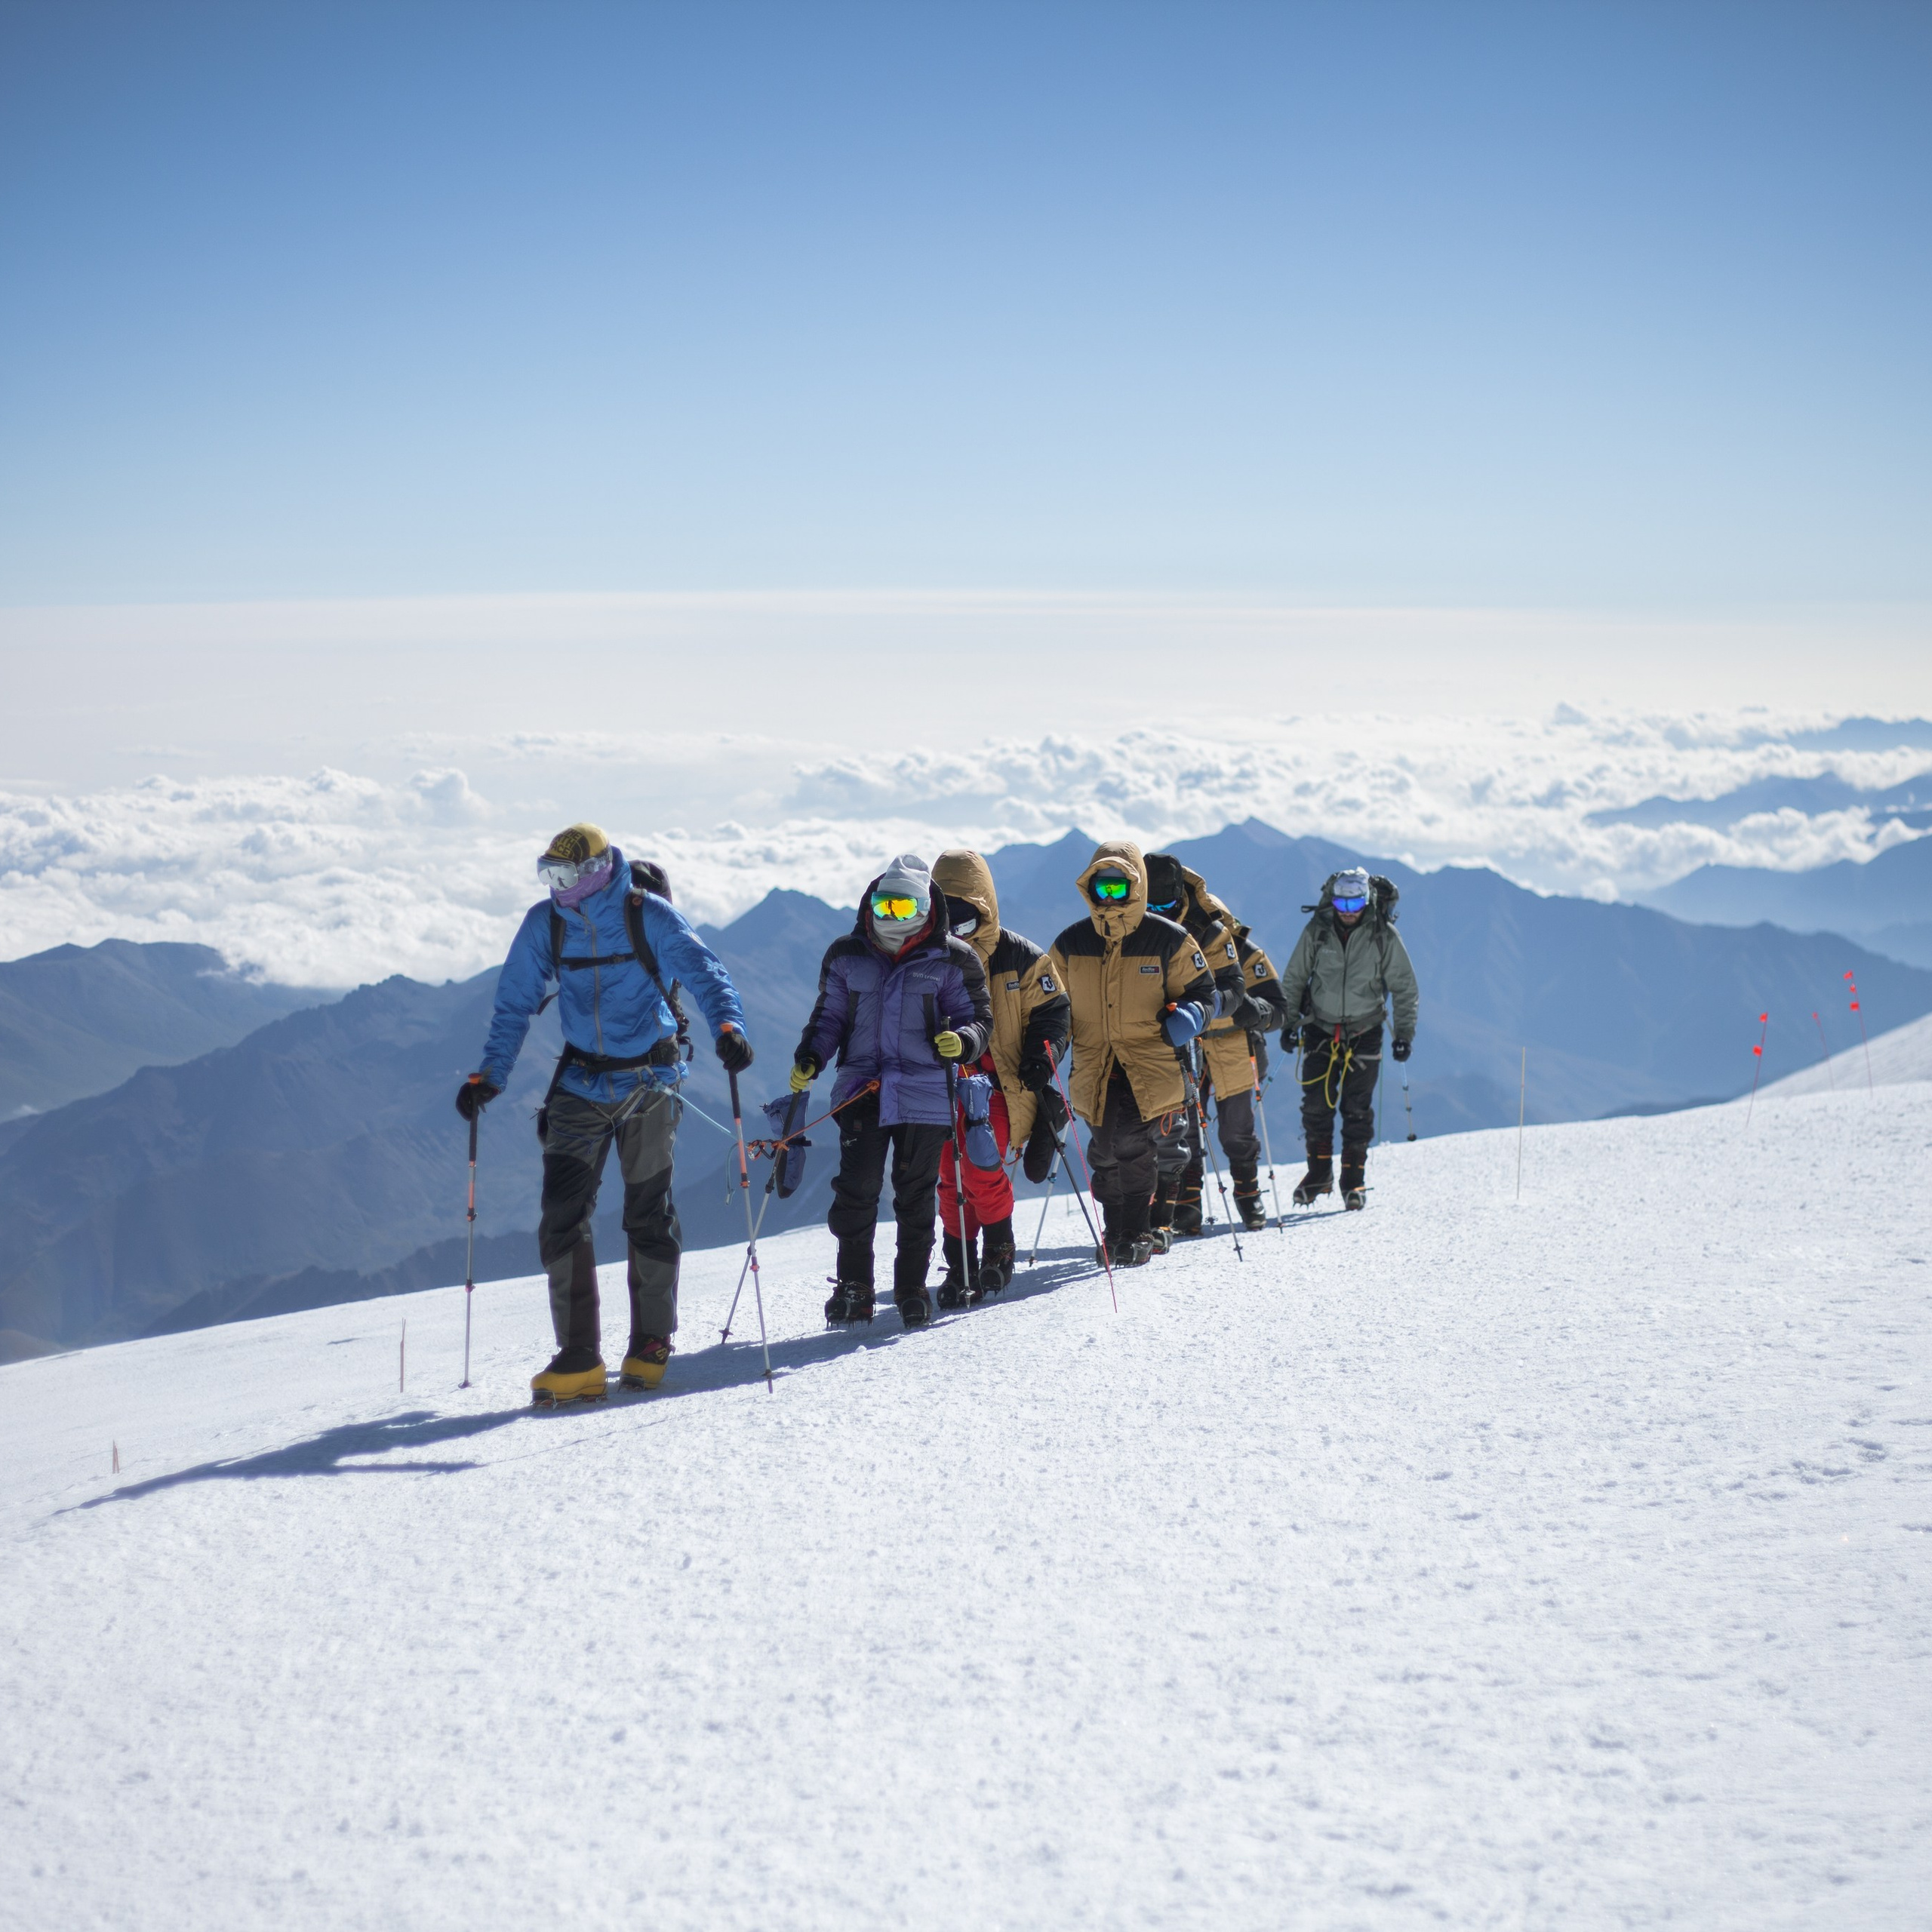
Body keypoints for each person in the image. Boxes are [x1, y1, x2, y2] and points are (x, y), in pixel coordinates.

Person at [457, 824, 752, 1406]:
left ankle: (651, 1342)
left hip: (650, 1079)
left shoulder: (648, 915)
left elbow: (705, 972)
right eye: (548, 874)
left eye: (564, 874)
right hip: (581, 1079)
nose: (556, 886)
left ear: (596, 870)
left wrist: (728, 1026)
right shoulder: (546, 923)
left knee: (648, 1211)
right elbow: (515, 1001)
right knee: (561, 1213)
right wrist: (491, 1075)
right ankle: (580, 1357)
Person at [792, 854, 993, 1329]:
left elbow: (979, 1020)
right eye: (883, 905)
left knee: (915, 1193)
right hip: (861, 1088)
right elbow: (830, 1016)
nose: (889, 915)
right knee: (856, 1189)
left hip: (926, 1090)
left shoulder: (954, 958)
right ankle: (855, 1287)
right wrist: (812, 1055)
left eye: (901, 907)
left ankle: (910, 1289)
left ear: (924, 908)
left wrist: (963, 1041)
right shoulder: (847, 954)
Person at [1047, 842, 1217, 1267]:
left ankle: (1138, 1230)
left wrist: (1191, 1015)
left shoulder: (1170, 939)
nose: (1109, 898)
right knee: (1104, 1152)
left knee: (1132, 1144)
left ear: (1136, 887)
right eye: (1101, 888)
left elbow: (1205, 992)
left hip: (1150, 1063)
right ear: (1089, 888)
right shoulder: (1070, 943)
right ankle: (1115, 1228)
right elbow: (1053, 1005)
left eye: (1118, 888)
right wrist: (1049, 1045)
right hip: (1095, 1065)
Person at [929, 848, 1071, 1306]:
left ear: (985, 907)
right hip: (938, 1086)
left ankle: (998, 1248)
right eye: (948, 915)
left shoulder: (1022, 957)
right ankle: (961, 1264)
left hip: (1002, 1086)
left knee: (979, 1166)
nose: (957, 928)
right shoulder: (925, 954)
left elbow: (1054, 1013)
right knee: (948, 1176)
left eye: (966, 917)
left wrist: (1043, 1058)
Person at [1278, 866, 1418, 1211]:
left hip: (1365, 1030)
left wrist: (1404, 1034)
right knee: (1315, 1106)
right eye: (1342, 905)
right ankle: (1319, 1174)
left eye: (1355, 905)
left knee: (1357, 1109)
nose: (1348, 912)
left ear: (1367, 901)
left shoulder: (1383, 935)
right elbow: (1294, 978)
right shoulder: (1317, 931)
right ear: (1333, 902)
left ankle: (1353, 1180)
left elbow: (1404, 987)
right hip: (1320, 1028)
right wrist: (1289, 1023)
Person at [1141, 854, 1254, 1245]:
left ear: (1181, 897)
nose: (1158, 915)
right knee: (1166, 1123)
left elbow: (1234, 987)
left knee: (1198, 1119)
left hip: (1199, 1034)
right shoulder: (1124, 917)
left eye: (1166, 906)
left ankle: (1217, 1200)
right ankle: (1179, 1206)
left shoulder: (1208, 928)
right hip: (1146, 1034)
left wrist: (1201, 1009)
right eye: (1150, 906)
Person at [1180, 918, 1287, 1234]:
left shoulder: (1244, 952)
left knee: (1235, 1130)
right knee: (1186, 1129)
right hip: (1191, 1045)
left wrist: (1254, 1010)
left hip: (1234, 1047)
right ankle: (1189, 1202)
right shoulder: (1173, 943)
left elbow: (1278, 1009)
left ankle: (1245, 1195)